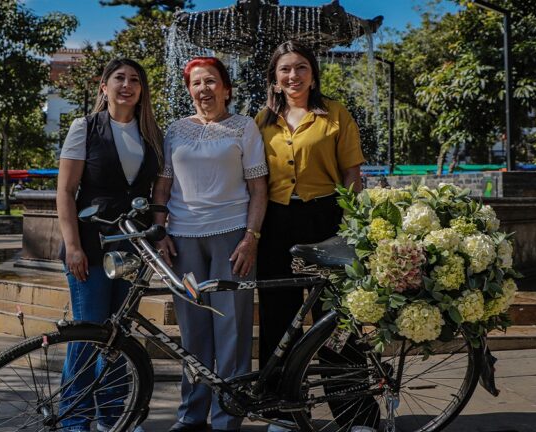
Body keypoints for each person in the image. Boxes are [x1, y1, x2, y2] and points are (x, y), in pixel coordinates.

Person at [254, 40, 375, 432]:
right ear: (274, 76)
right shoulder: (262, 120)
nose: (293, 76)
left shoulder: (334, 113)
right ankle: (283, 414)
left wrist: (352, 228)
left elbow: (352, 175)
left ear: (313, 72)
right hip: (275, 224)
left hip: (326, 220)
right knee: (278, 319)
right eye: (285, 69)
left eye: (301, 68)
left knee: (336, 320)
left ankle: (355, 415)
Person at [152, 57, 268, 432]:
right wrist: (160, 230)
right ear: (189, 90)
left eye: (212, 81)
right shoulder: (176, 130)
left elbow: (258, 188)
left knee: (232, 330)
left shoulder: (243, 128)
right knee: (193, 329)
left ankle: (226, 419)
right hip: (184, 244)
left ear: (226, 89)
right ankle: (190, 416)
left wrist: (251, 238)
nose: (204, 89)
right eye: (197, 83)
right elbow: (163, 185)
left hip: (232, 239)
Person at [56, 58, 163, 432]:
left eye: (135, 80)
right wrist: (72, 246)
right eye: (119, 78)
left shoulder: (151, 132)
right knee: (87, 334)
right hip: (91, 245)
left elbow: (156, 191)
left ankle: (112, 417)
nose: (127, 85)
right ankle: (74, 420)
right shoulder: (84, 127)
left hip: (133, 248)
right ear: (104, 87)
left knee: (119, 338)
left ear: (142, 90)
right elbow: (66, 192)